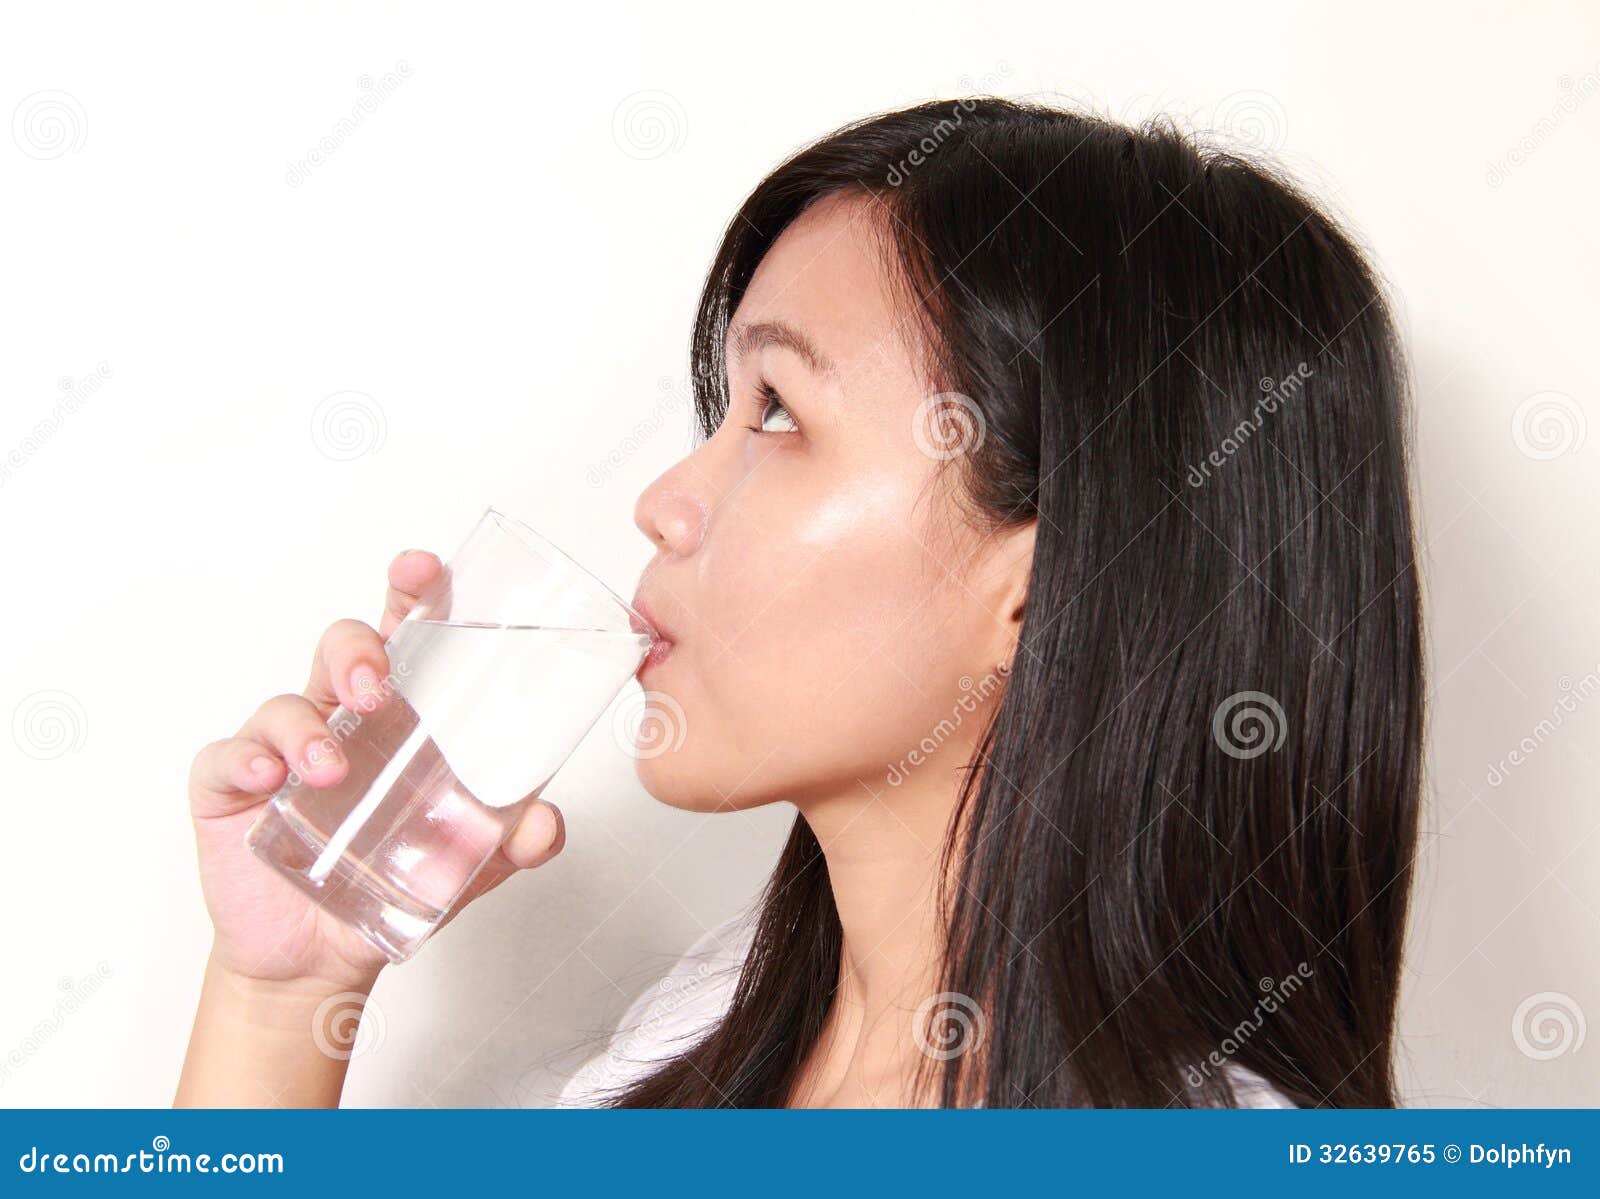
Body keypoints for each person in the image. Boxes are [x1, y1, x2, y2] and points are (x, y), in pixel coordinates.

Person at [177, 98, 1423, 1108]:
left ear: (1040, 582)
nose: (665, 500)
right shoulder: (688, 1043)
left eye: (779, 411)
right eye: (723, 411)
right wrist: (285, 988)